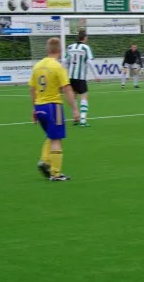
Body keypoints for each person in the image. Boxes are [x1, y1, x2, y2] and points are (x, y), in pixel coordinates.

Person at [30, 37, 79, 182]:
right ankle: (55, 173)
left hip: (40, 106)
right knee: (57, 138)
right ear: (59, 50)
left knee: (51, 136)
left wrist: (34, 108)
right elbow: (67, 88)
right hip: (53, 107)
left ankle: (45, 161)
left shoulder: (37, 66)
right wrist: (74, 109)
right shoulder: (58, 67)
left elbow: (32, 89)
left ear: (47, 49)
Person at [64, 29, 100, 127]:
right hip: (81, 77)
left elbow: (65, 61)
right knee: (84, 97)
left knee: (73, 97)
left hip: (71, 77)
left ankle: (75, 118)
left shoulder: (70, 47)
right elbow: (89, 62)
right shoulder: (86, 48)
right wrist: (96, 75)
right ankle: (83, 120)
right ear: (85, 38)